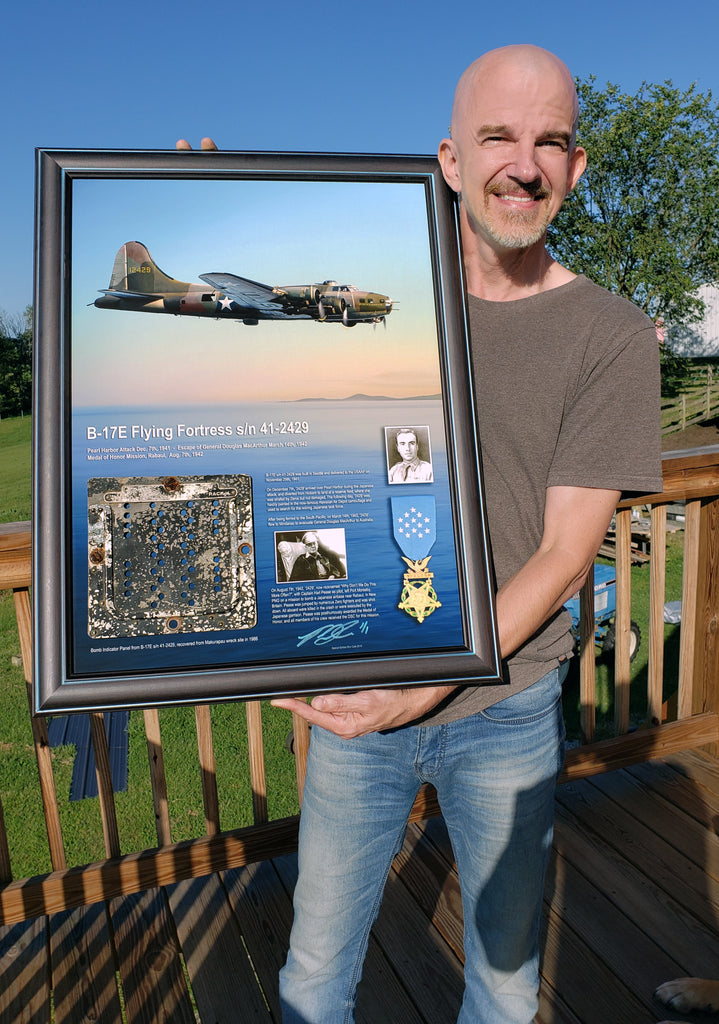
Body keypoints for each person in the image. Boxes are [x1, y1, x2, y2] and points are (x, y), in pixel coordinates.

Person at [179, 43, 662, 1023]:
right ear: (447, 159)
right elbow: (239, 395)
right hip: (360, 694)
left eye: (549, 141)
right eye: (496, 136)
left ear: (573, 167)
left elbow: (566, 553)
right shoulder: (368, 301)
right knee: (313, 979)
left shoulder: (610, 334)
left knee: (502, 980)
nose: (522, 163)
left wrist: (427, 679)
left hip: (510, 708)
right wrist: (190, 207)